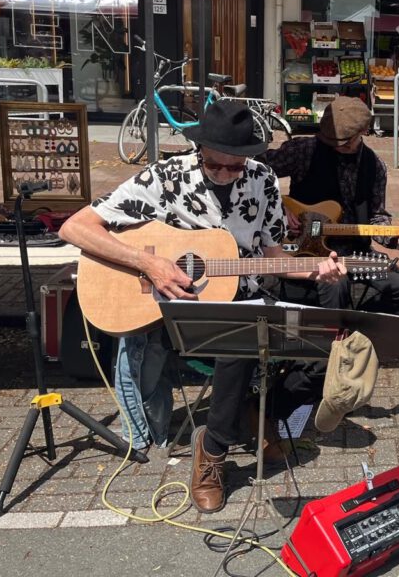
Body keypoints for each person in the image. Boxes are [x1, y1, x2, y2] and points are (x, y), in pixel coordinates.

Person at [60, 100, 344, 513]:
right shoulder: (166, 177)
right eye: (215, 166)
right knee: (240, 340)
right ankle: (213, 450)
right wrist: (149, 263)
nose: (226, 174)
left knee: (321, 327)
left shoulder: (262, 178)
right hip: (180, 309)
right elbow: (75, 227)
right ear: (200, 151)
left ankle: (259, 409)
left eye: (235, 167)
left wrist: (315, 269)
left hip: (245, 296)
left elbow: (271, 254)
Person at [263, 96, 399, 315]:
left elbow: (376, 217)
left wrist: (398, 239)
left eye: (344, 142)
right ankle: (336, 331)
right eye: (330, 141)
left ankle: (354, 321)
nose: (336, 146)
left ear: (363, 131)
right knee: (335, 283)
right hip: (308, 250)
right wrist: (279, 206)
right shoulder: (304, 150)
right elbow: (256, 171)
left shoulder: (375, 166)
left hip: (356, 252)